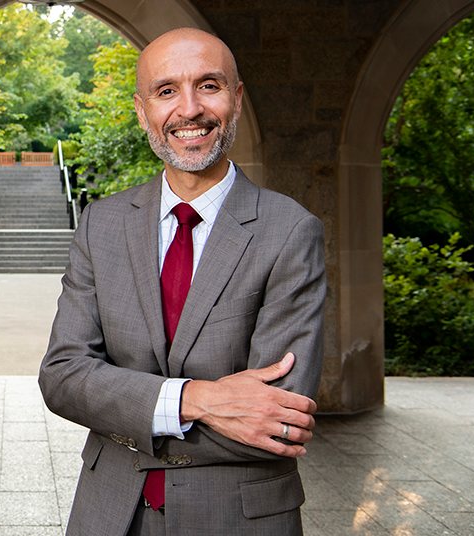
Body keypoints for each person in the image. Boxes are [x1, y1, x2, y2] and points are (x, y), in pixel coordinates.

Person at [38, 27, 326, 535]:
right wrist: (201, 399)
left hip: (237, 519)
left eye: (209, 86)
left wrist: (124, 411)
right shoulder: (101, 225)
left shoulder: (290, 230)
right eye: (166, 90)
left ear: (236, 100)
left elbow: (277, 420)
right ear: (142, 108)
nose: (189, 109)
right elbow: (63, 378)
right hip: (109, 514)